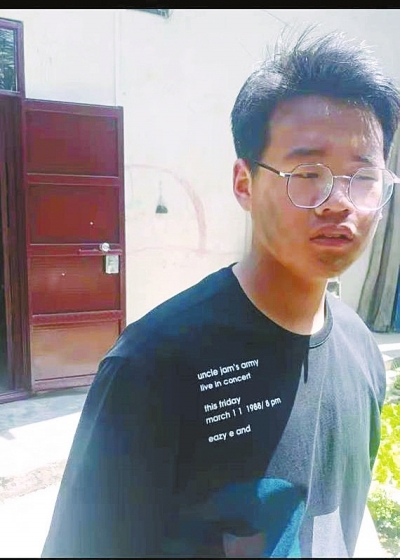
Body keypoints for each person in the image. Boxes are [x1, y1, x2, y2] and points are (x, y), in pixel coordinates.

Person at [42, 26, 400, 558]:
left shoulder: (362, 352)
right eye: (308, 172)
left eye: (362, 177)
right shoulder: (154, 366)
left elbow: (342, 515)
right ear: (243, 184)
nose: (338, 202)